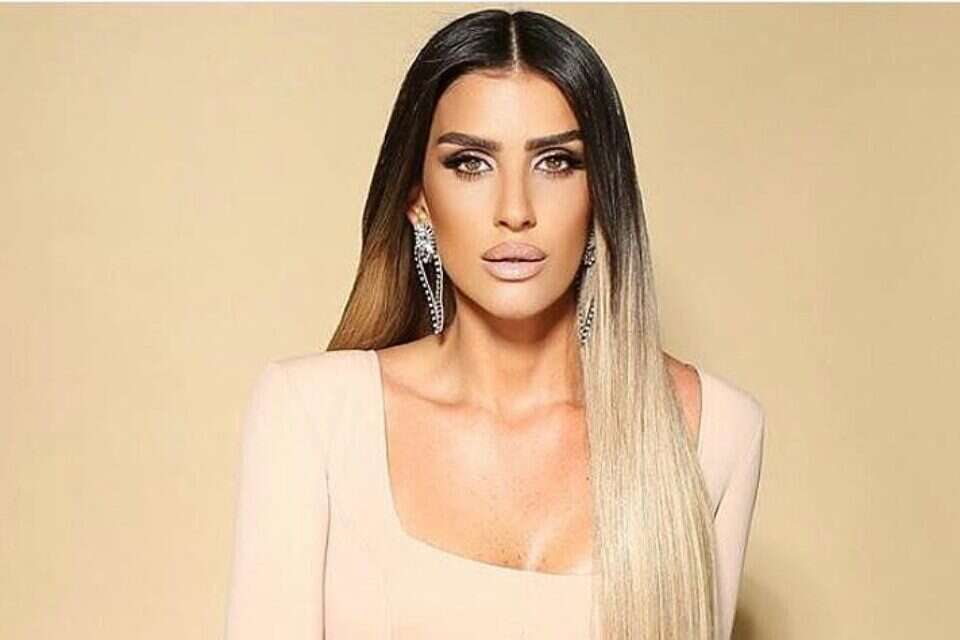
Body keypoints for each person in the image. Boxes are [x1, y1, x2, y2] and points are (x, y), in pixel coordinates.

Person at [224, 8, 764, 640]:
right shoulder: (312, 416)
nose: (515, 210)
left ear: (600, 195)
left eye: (556, 161)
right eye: (470, 163)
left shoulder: (713, 430)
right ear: (418, 200)